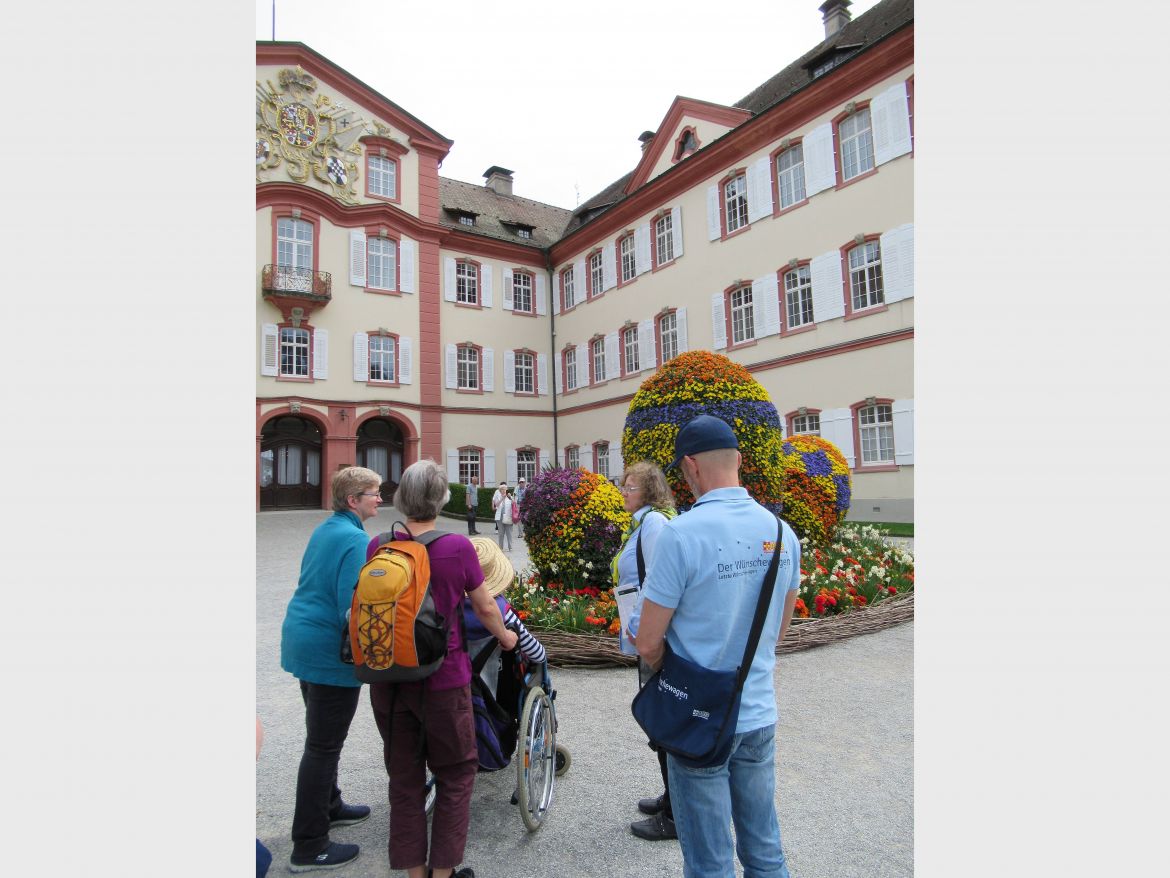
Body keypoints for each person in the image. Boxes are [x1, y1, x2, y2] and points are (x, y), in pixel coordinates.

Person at [633, 415, 801, 878]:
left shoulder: (682, 534)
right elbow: (778, 633)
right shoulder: (783, 534)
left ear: (690, 466)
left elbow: (647, 641)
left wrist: (678, 670)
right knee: (765, 851)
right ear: (740, 461)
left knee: (709, 864)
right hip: (758, 710)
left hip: (699, 720)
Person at [368, 460, 519, 878]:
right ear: (441, 499)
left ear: (401, 499)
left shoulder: (379, 544)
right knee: (455, 774)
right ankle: (444, 873)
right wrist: (507, 639)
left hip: (388, 678)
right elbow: (486, 606)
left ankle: (416, 873)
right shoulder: (457, 548)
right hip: (442, 679)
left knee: (404, 781)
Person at [279, 466, 382, 873]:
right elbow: (352, 606)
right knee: (322, 747)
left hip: (304, 638)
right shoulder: (356, 539)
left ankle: (330, 805)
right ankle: (309, 845)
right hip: (326, 650)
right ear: (353, 500)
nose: (379, 497)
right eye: (373, 492)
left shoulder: (327, 528)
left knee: (320, 738)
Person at [613, 461, 678, 842]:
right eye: (623, 485)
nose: (624, 491)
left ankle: (674, 813)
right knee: (658, 718)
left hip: (651, 636)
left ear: (650, 490)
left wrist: (643, 634)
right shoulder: (645, 521)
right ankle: (671, 796)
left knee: (662, 719)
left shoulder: (654, 524)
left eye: (631, 486)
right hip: (646, 633)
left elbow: (658, 579)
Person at [493, 483, 514, 551]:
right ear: (500, 490)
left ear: (506, 490)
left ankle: (510, 547)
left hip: (508, 517)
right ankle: (501, 547)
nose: (503, 490)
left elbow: (514, 504)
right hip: (500, 517)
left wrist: (510, 497)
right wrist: (502, 498)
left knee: (509, 533)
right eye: (502, 489)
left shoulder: (509, 497)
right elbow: (496, 505)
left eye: (505, 489)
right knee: (501, 533)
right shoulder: (498, 497)